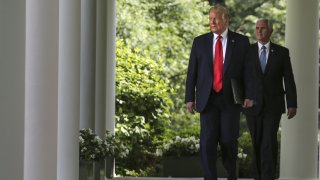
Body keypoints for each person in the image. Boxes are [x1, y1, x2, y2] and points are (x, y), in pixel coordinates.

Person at [185, 4, 250, 180]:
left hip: (231, 99)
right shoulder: (200, 42)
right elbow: (192, 72)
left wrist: (249, 95)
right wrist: (189, 98)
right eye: (210, 18)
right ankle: (210, 177)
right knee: (207, 143)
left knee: (229, 140)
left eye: (216, 18)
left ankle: (231, 174)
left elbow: (248, 71)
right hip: (207, 99)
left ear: (225, 19)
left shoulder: (241, 42)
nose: (212, 22)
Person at [243, 19, 297, 180]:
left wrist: (292, 104)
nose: (259, 31)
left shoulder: (282, 52)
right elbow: (236, 78)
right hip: (251, 105)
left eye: (263, 28)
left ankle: (268, 177)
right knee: (257, 143)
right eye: (257, 28)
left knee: (268, 141)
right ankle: (258, 177)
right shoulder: (247, 52)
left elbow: (289, 79)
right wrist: (242, 99)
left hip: (273, 106)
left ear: (270, 31)